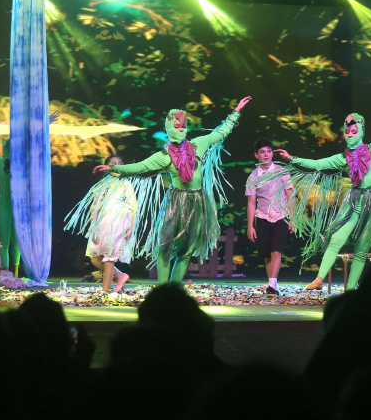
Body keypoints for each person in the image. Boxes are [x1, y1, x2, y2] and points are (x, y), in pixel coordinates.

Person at [269, 97, 371, 290]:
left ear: (361, 131)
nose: (350, 134)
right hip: (354, 202)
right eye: (347, 132)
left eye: (354, 131)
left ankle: (350, 290)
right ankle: (319, 279)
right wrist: (292, 158)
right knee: (336, 238)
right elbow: (317, 164)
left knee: (361, 250)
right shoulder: (342, 158)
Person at [93, 97, 252, 283]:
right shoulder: (163, 155)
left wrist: (237, 111)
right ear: (169, 128)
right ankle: (162, 289)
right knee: (165, 248)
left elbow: (221, 133)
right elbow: (139, 167)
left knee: (186, 251)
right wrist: (113, 169)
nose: (181, 129)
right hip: (176, 203)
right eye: (176, 126)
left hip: (197, 202)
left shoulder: (198, 144)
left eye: (183, 125)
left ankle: (174, 291)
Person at [0, 111, 57, 275]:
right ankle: (5, 274)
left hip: (20, 208)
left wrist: (45, 125)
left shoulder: (23, 167)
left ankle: (16, 273)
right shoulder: (0, 163)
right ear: (5, 149)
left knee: (18, 243)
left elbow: (35, 144)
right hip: (4, 207)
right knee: (4, 243)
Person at [64, 155, 141, 293]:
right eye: (113, 163)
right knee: (95, 259)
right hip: (102, 223)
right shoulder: (101, 185)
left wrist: (132, 226)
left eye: (120, 163)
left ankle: (105, 291)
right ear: (106, 167)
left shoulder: (126, 184)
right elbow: (95, 208)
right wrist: (94, 229)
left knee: (109, 259)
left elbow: (133, 207)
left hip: (119, 221)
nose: (116, 165)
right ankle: (120, 276)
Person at [245, 138, 294, 296]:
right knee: (266, 253)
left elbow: (289, 196)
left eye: (268, 151)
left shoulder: (282, 171)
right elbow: (252, 202)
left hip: (281, 216)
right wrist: (250, 225)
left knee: (276, 251)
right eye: (262, 152)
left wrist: (293, 218)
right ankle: (272, 284)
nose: (266, 155)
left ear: (272, 153)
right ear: (256, 155)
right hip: (262, 217)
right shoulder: (253, 176)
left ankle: (272, 285)